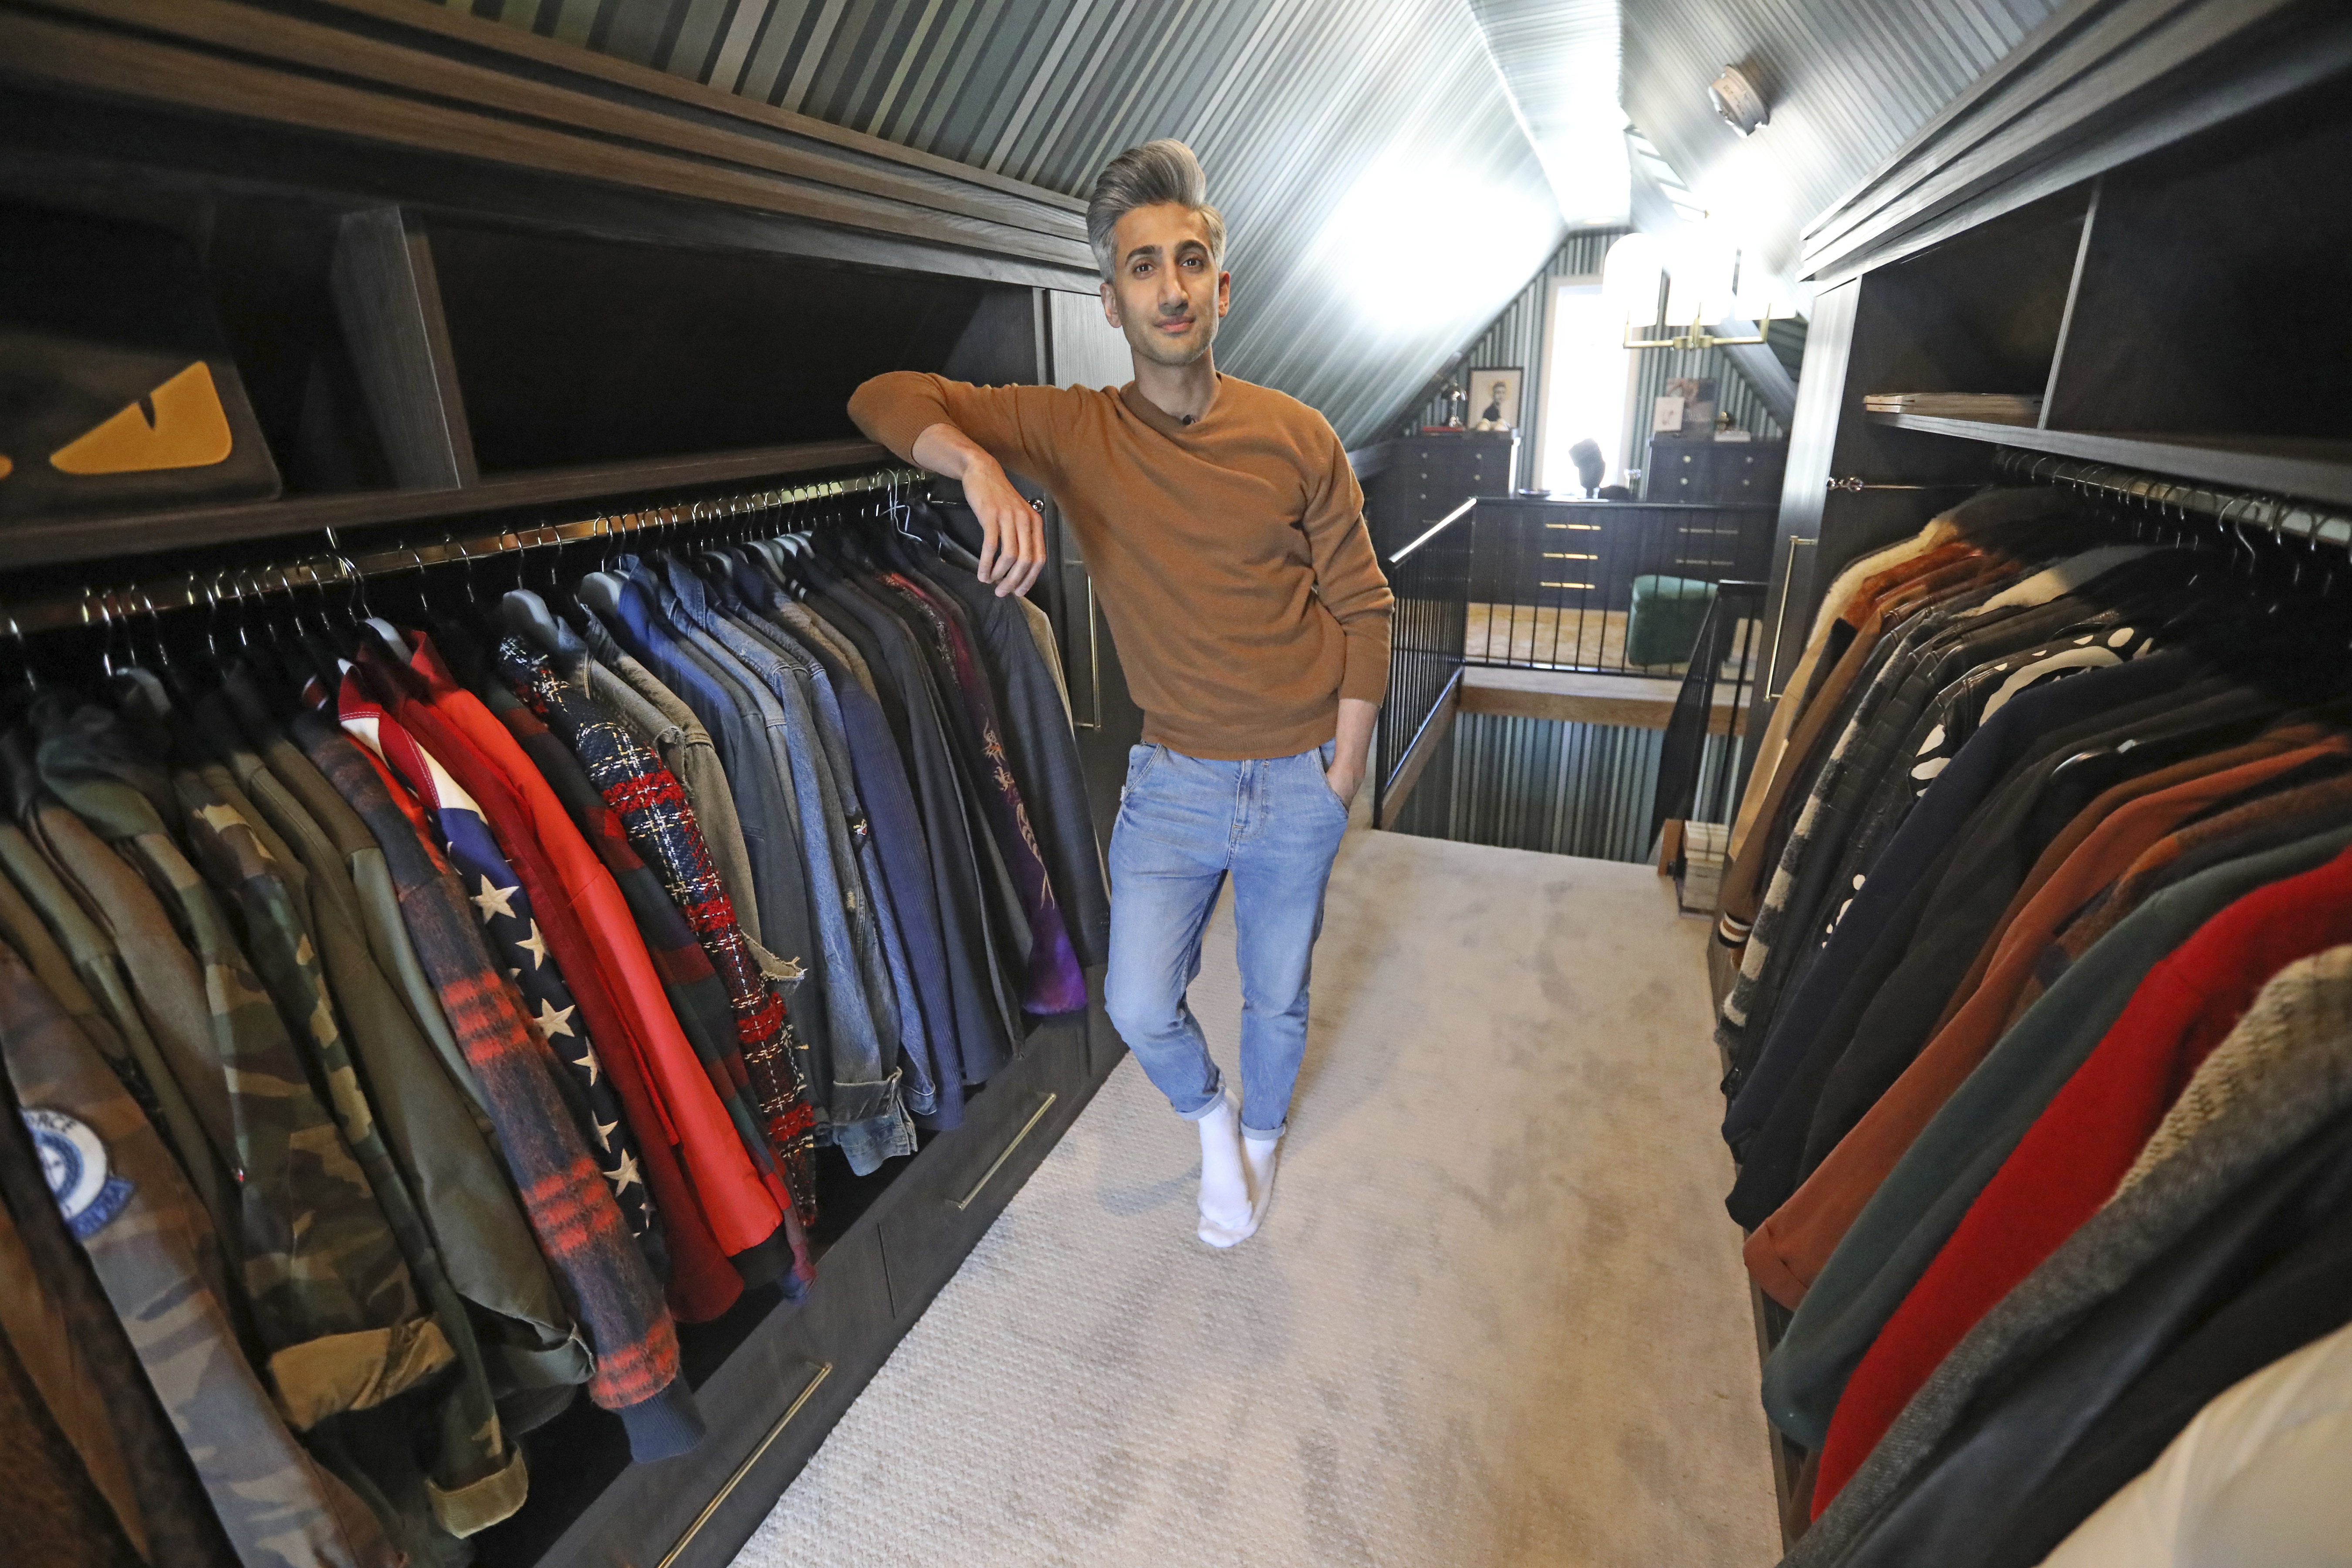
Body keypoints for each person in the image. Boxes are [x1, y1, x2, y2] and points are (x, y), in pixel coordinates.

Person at [848, 139, 1392, 1248]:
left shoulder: (1299, 436)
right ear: (1112, 300)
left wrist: (1343, 768)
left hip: (1300, 775)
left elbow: (1365, 607)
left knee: (1278, 993)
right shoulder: (1076, 430)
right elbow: (883, 395)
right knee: (1138, 1001)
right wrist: (979, 465)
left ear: (1222, 289)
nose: (1170, 287)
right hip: (1175, 777)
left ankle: (1264, 1134)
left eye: (1190, 262)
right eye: (1144, 267)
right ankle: (1210, 1119)